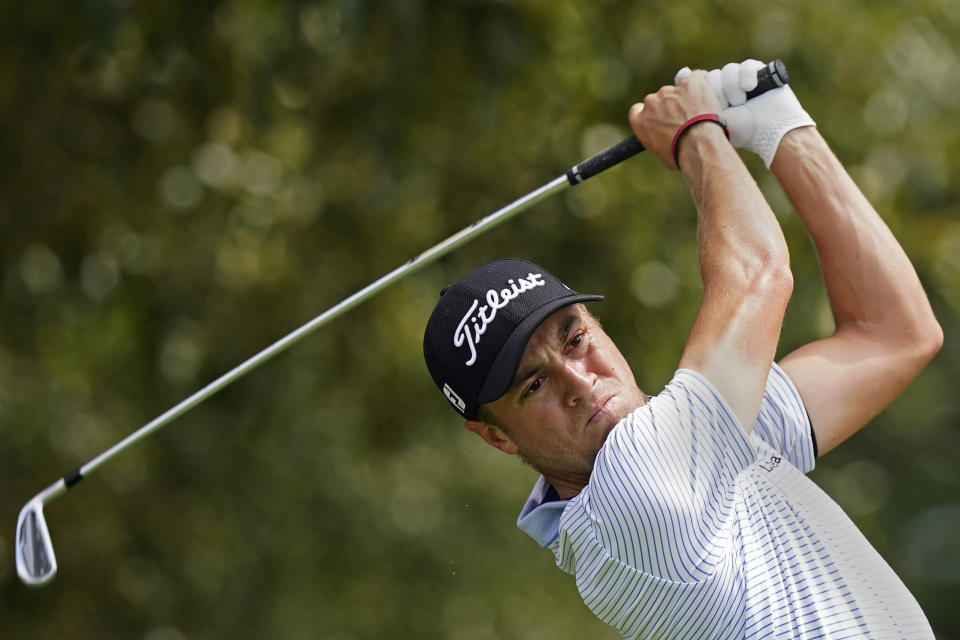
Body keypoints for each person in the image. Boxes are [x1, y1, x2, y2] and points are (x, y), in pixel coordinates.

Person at [422, 59, 943, 638]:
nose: (578, 380)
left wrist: (781, 128)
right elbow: (756, 273)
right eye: (534, 384)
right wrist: (694, 134)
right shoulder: (632, 497)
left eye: (575, 338)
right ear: (495, 434)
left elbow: (893, 333)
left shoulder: (703, 450)